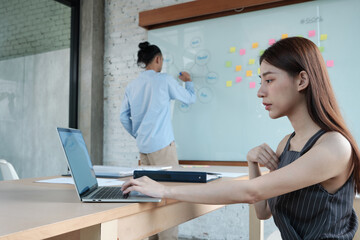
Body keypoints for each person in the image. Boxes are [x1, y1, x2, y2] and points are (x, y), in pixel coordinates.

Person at [122, 37, 360, 239]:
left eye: (269, 80)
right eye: (261, 81)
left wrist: (165, 190)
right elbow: (263, 211)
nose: (260, 91)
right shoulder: (286, 143)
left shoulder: (334, 146)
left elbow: (251, 192)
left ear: (302, 80)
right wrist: (251, 163)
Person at [120, 41, 196, 240]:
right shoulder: (164, 80)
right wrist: (188, 81)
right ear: (158, 59)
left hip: (144, 150)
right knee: (170, 199)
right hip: (163, 148)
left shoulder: (132, 85)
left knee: (150, 198)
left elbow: (123, 117)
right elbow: (189, 98)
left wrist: (138, 134)